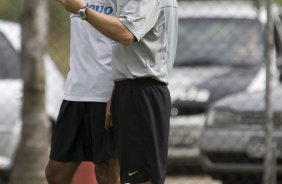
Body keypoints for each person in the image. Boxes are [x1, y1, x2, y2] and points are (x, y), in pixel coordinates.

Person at [56, 0, 178, 183]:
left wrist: (82, 10)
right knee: (136, 176)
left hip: (140, 89)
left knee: (138, 176)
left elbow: (125, 33)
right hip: (128, 88)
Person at [45, 0, 120, 184]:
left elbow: (128, 35)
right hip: (75, 91)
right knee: (55, 172)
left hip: (107, 91)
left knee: (106, 172)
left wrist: (119, 87)